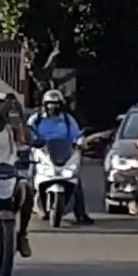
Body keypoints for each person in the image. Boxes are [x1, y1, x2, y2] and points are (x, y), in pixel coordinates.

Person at [28, 89, 93, 225]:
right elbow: (28, 131)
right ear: (44, 104)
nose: (53, 107)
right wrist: (33, 140)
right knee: (30, 178)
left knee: (75, 180)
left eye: (56, 104)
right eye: (50, 103)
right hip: (42, 152)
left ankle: (81, 214)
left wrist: (80, 142)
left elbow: (76, 134)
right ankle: (27, 208)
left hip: (64, 152)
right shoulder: (36, 119)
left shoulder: (68, 120)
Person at [0, 93, 35, 257]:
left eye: (0, 105)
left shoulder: (12, 129)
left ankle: (22, 234)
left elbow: (26, 140)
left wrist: (21, 121)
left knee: (27, 190)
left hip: (9, 173)